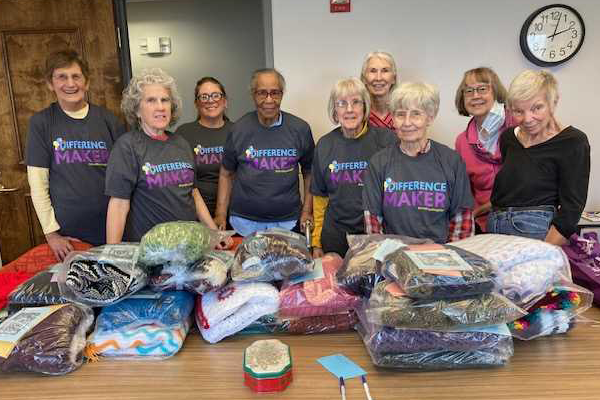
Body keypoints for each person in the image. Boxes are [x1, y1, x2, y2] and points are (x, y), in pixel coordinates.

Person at [25, 50, 125, 261]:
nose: (70, 84)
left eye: (76, 76)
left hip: (114, 230)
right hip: (69, 239)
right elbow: (38, 184)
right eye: (62, 77)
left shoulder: (109, 121)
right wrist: (52, 235)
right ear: (50, 84)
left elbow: (126, 178)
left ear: (86, 82)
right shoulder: (41, 123)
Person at [105, 68, 224, 244]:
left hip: (188, 246)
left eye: (165, 100)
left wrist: (214, 233)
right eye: (151, 100)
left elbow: (193, 193)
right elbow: (119, 205)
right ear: (137, 110)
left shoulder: (181, 143)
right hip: (152, 251)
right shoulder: (127, 146)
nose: (160, 107)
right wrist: (112, 253)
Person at [363, 82, 474, 243]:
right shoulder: (378, 163)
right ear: (393, 119)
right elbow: (373, 223)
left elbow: (462, 222)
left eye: (416, 114)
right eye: (400, 114)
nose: (407, 123)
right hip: (394, 258)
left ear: (430, 117)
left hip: (440, 259)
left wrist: (449, 259)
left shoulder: (451, 161)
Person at [487, 70, 590, 245]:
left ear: (553, 103)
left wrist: (544, 252)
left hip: (535, 231)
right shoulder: (508, 138)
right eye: (519, 111)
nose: (527, 119)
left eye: (537, 108)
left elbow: (571, 209)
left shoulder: (573, 142)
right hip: (495, 228)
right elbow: (514, 191)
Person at [215, 68, 315, 236]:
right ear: (253, 95)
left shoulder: (300, 129)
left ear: (282, 94)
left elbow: (310, 172)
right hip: (243, 224)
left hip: (288, 223)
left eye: (275, 93)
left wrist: (307, 211)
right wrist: (220, 214)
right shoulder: (238, 129)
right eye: (262, 93)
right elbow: (226, 173)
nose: (269, 100)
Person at [311, 77, 395, 257]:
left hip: (375, 237)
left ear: (365, 107)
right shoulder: (325, 145)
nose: (349, 109)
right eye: (342, 103)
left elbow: (396, 194)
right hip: (335, 237)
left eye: (356, 102)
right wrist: (316, 243)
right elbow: (320, 198)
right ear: (334, 110)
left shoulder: (386, 141)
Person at [454, 67, 516, 233]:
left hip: (521, 218)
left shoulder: (518, 127)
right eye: (469, 91)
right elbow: (465, 192)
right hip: (484, 224)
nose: (475, 96)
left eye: (482, 89)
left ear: (496, 93)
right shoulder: (462, 141)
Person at [176, 77, 232, 217]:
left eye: (216, 95)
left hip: (234, 212)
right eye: (204, 96)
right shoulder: (183, 133)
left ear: (225, 101)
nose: (210, 100)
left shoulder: (238, 131)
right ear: (196, 103)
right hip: (195, 212)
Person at [360, 51, 398, 130]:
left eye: (385, 71)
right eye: (373, 71)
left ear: (394, 78)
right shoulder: (357, 114)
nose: (378, 78)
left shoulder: (403, 114)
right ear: (364, 79)